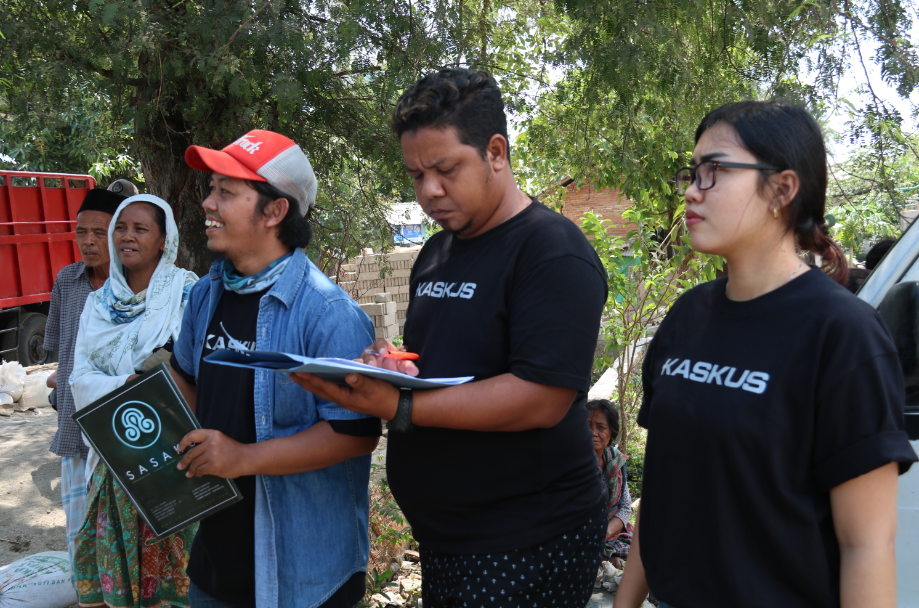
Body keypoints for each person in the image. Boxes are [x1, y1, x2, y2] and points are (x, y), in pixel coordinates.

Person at [292, 68, 609, 608]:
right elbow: (440, 363)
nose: (429, 191)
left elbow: (543, 395)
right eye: (416, 175)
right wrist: (389, 363)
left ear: (496, 152)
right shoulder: (438, 252)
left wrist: (402, 406)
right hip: (451, 538)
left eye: (445, 169)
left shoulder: (551, 251)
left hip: (525, 538)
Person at [613, 100, 918, 608]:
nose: (691, 190)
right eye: (693, 172)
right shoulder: (686, 318)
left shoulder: (844, 335)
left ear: (782, 189)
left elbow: (866, 545)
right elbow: (665, 493)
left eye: (714, 171)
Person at [169, 129, 379, 608]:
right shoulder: (206, 294)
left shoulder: (328, 314)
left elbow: (356, 434)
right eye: (211, 189)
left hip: (301, 574)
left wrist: (242, 458)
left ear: (274, 211)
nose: (208, 203)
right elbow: (190, 385)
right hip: (215, 564)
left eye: (226, 191)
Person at [70, 194, 199, 607]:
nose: (127, 237)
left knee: (178, 572)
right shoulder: (97, 304)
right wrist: (129, 383)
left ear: (164, 240)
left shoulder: (186, 292)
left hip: (168, 456)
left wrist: (142, 385)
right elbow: (79, 378)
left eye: (140, 229)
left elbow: (192, 366)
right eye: (120, 228)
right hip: (112, 456)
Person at [43, 186, 127, 583]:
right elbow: (61, 352)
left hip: (123, 428)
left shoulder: (140, 286)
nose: (88, 241)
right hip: (76, 428)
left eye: (99, 232)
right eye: (81, 233)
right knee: (80, 533)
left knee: (128, 535)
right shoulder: (68, 281)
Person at [586, 399, 633, 568]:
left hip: (608, 534)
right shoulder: (571, 462)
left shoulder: (615, 460)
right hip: (578, 534)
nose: (593, 433)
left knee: (647, 549)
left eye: (601, 427)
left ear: (612, 433)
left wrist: (603, 534)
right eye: (587, 426)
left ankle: (607, 555)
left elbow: (626, 507)